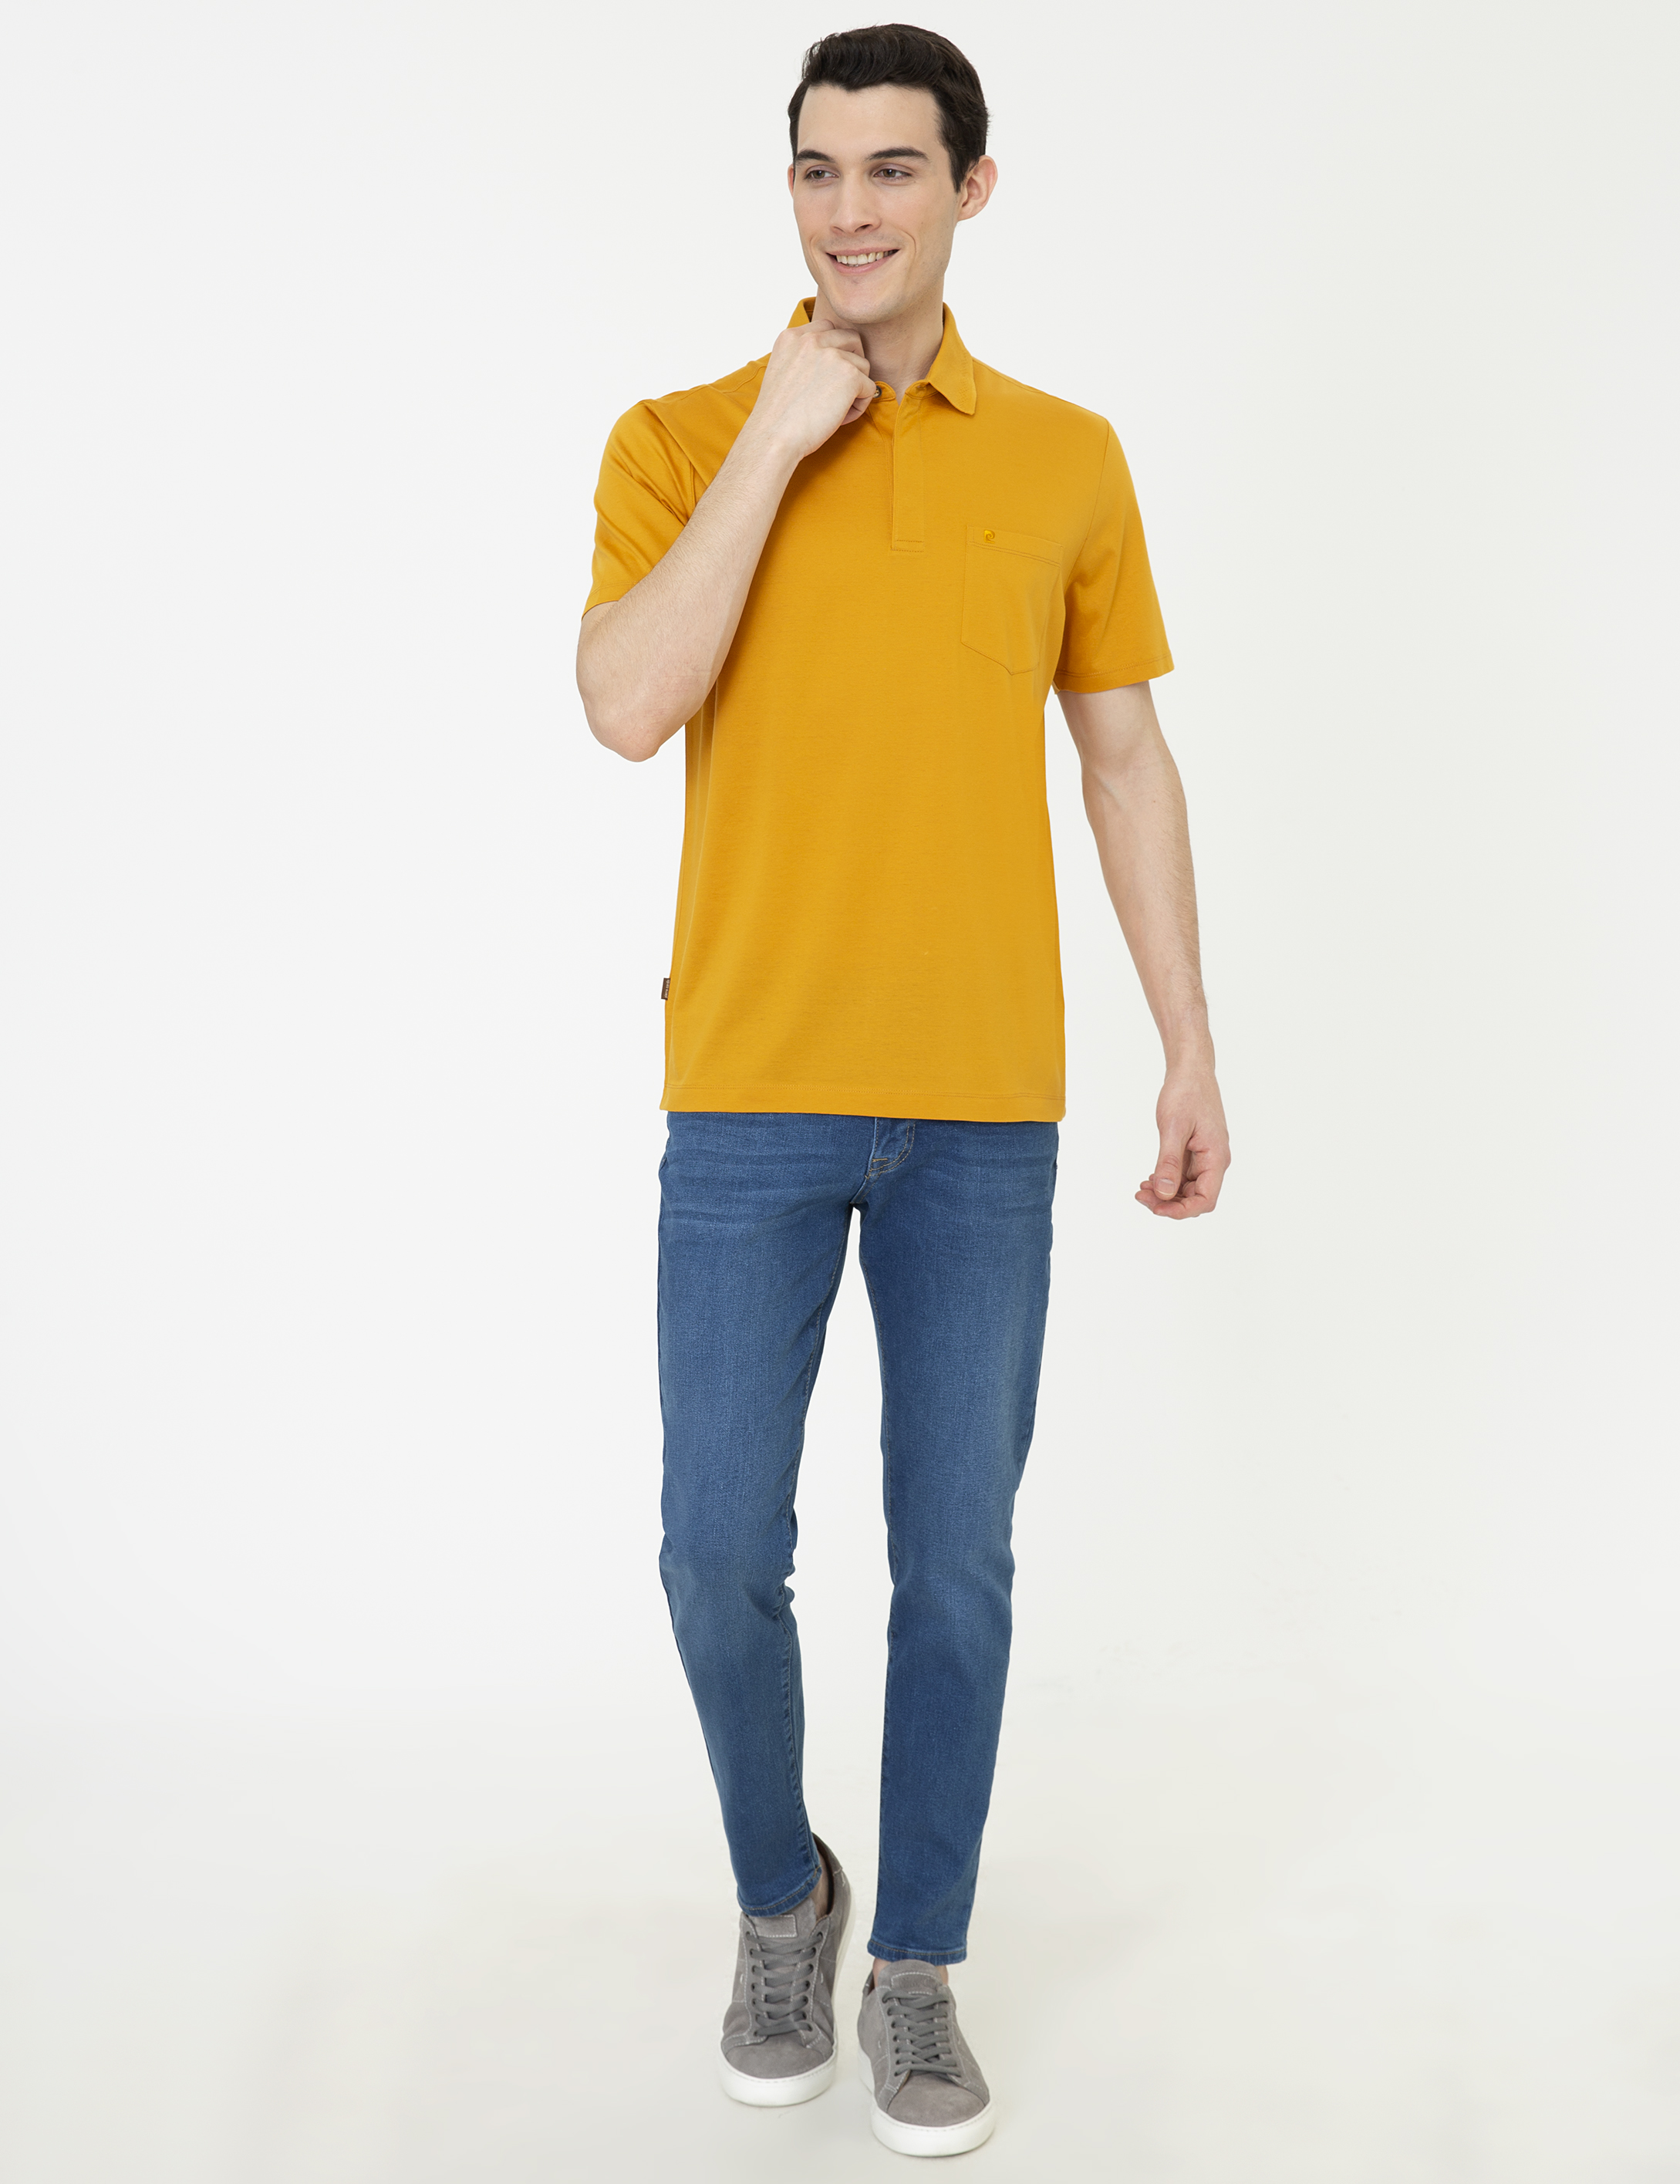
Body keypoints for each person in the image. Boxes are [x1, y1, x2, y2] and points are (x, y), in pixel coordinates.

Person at [576, 21, 1230, 2159]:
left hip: (977, 1108)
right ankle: (785, 1898)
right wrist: (780, 440)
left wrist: (1187, 1044)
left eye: (891, 169)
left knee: (954, 1565)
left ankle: (918, 1963)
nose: (848, 209)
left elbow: (1122, 758)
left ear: (970, 187)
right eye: (816, 170)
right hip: (749, 1093)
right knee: (710, 1551)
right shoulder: (680, 436)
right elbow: (627, 703)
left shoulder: (1064, 458)